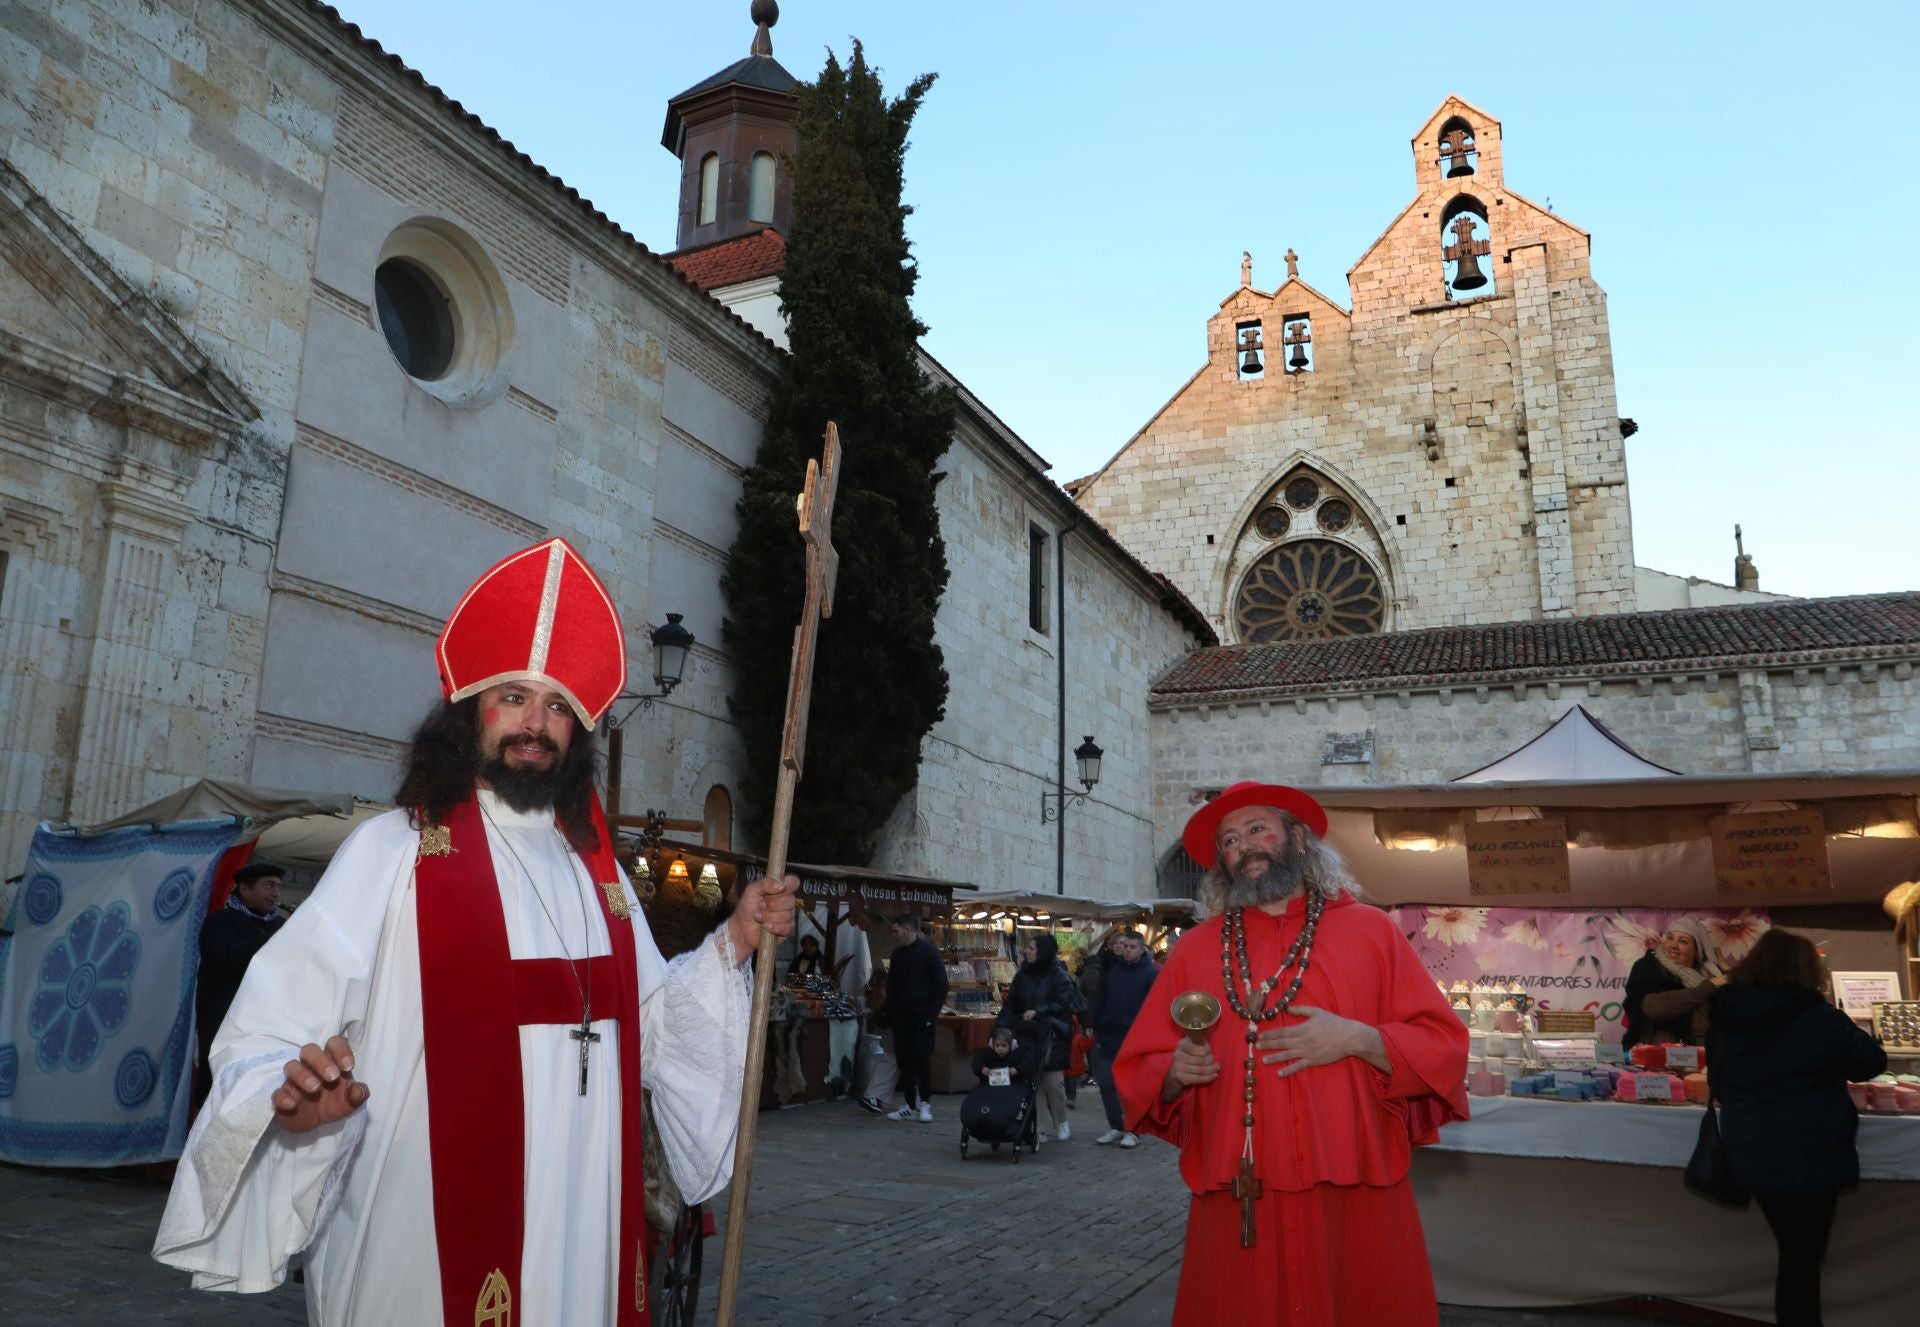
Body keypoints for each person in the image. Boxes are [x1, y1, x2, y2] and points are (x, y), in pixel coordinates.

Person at [153, 537, 797, 1327]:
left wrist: (733, 939)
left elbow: (654, 1024)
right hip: (422, 1236)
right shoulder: (392, 853)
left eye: (559, 705)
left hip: (585, 1230)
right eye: (515, 697)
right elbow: (268, 1029)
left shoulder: (598, 875)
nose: (537, 723)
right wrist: (290, 1098)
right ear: (469, 713)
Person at [1113, 782, 1468, 1326]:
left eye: (1258, 829)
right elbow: (1140, 1066)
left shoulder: (1371, 931)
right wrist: (1173, 1073)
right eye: (1230, 841)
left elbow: (1444, 1044)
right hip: (1240, 1183)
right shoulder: (1196, 948)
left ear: (1299, 839)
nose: (1244, 846)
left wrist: (1359, 1039)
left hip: (1352, 1180)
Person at [1711, 928, 1885, 1327]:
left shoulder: (1727, 1011)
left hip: (1749, 1147)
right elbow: (1871, 1061)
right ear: (1807, 970)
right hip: (1810, 1149)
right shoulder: (1815, 1015)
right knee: (1802, 1259)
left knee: (1795, 1255)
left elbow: (1719, 1082)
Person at [192, 860, 287, 1108]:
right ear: (244, 889)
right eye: (268, 885)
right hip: (223, 1021)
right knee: (218, 1086)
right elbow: (232, 957)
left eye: (277, 886)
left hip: (266, 1024)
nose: (275, 893)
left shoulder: (280, 925)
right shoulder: (219, 923)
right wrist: (277, 942)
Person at [997, 933, 1083, 1141]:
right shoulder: (1022, 975)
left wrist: (1039, 1011)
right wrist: (1000, 1028)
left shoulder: (1060, 976)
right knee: (1033, 1081)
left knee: (1053, 1082)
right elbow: (1010, 1005)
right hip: (1028, 1034)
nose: (1026, 951)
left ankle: (1061, 1121)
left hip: (1052, 1036)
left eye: (1031, 948)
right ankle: (1041, 1127)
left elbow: (1064, 1003)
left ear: (1043, 952)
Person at [1089, 928, 1157, 1147]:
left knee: (1131, 1088)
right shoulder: (1114, 971)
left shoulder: (1152, 973)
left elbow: (1156, 1008)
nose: (1127, 950)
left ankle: (1133, 1129)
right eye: (1125, 946)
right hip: (1109, 1035)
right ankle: (1117, 1126)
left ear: (1141, 948)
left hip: (1135, 1039)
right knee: (1106, 1083)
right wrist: (1094, 1023)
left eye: (1132, 947)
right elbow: (1102, 998)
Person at [1623, 917, 1723, 1050]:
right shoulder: (1649, 967)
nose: (1673, 946)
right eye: (1670, 938)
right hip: (1656, 1056)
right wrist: (1706, 988)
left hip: (1703, 1058)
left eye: (1683, 941)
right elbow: (1655, 1007)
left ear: (1697, 950)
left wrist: (1725, 967)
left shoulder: (1709, 974)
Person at [884, 914, 947, 1122]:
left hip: (923, 1017)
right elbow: (891, 985)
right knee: (905, 1061)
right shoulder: (897, 955)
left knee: (921, 1058)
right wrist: (892, 1012)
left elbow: (941, 984)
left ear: (908, 929)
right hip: (901, 1018)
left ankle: (925, 1103)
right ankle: (909, 1103)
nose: (893, 935)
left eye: (896, 931)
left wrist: (931, 1013)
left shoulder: (929, 953)